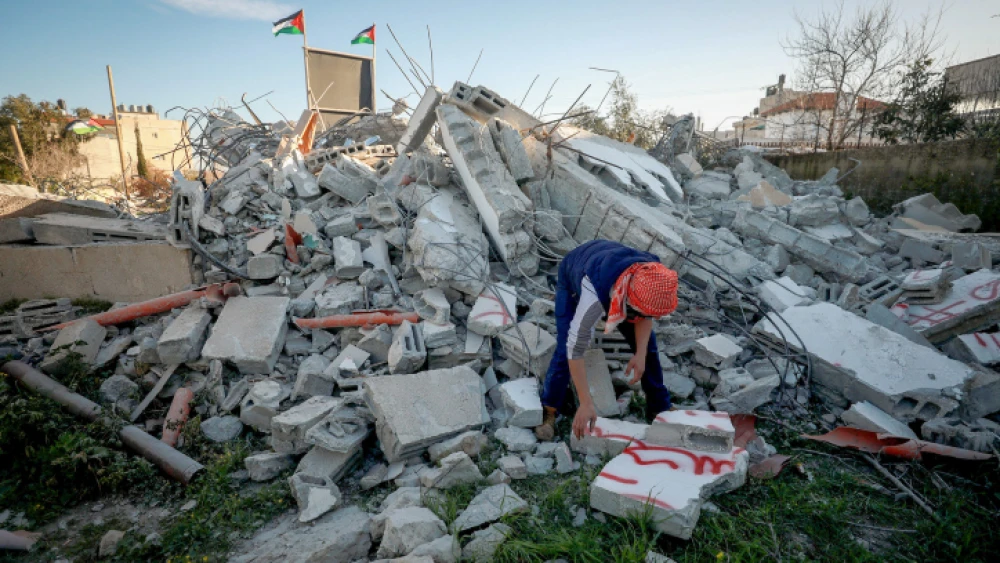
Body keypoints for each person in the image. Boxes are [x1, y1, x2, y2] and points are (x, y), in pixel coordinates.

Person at [535, 239, 678, 441]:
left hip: (609, 263)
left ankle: (659, 407)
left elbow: (645, 316)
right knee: (564, 347)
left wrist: (640, 354)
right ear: (628, 298)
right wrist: (586, 403)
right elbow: (575, 349)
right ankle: (549, 409)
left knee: (648, 350)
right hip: (575, 270)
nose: (645, 316)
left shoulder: (653, 276)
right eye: (638, 311)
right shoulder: (593, 295)